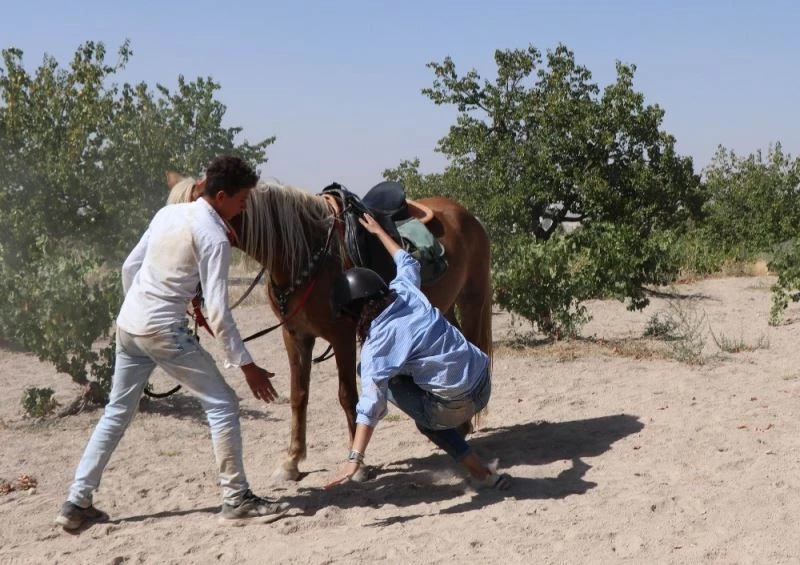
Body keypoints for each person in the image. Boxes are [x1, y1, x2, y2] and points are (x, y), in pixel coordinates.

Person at [55, 155, 290, 530]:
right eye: (243, 199)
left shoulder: (168, 214)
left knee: (117, 412)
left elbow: (130, 267)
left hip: (129, 326)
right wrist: (247, 365)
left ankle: (76, 502)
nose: (245, 207)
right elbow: (218, 312)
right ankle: (236, 499)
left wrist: (141, 308)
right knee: (223, 403)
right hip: (162, 330)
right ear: (222, 196)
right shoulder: (214, 237)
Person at [324, 213, 511, 491]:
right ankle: (484, 473)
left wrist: (354, 459)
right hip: (482, 381)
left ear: (354, 313)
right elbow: (407, 261)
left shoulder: (375, 348)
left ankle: (481, 473)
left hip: (457, 404)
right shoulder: (404, 290)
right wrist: (378, 232)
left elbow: (370, 405)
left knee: (417, 413)